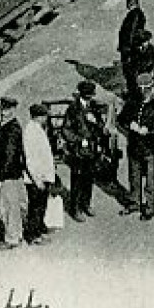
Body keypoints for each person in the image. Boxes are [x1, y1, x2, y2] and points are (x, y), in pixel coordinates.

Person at [118, 77, 154, 220]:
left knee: (150, 182)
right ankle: (134, 202)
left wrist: (149, 130)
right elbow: (120, 120)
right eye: (141, 89)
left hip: (150, 149)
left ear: (152, 89)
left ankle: (149, 208)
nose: (143, 92)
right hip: (134, 147)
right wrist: (130, 125)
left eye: (146, 89)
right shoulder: (132, 104)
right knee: (134, 178)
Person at [60, 81, 107, 221]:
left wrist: (96, 122)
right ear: (82, 95)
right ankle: (75, 209)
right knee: (77, 180)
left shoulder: (93, 107)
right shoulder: (73, 109)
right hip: (78, 151)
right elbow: (66, 130)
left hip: (91, 149)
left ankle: (86, 204)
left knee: (89, 178)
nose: (90, 99)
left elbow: (101, 126)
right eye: (88, 96)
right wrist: (78, 140)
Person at [0, 97, 27, 250]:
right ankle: (17, 234)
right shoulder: (3, 125)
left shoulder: (12, 128)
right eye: (2, 109)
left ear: (13, 110)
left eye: (7, 109)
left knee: (7, 206)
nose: (4, 112)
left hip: (9, 174)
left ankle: (11, 239)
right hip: (11, 173)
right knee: (14, 205)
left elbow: (9, 156)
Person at [22, 103, 56, 245]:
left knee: (41, 205)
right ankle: (32, 235)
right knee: (35, 207)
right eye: (44, 116)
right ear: (38, 117)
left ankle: (40, 228)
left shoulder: (37, 129)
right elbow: (30, 159)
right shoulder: (30, 131)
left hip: (43, 176)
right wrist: (37, 180)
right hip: (36, 178)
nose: (45, 119)